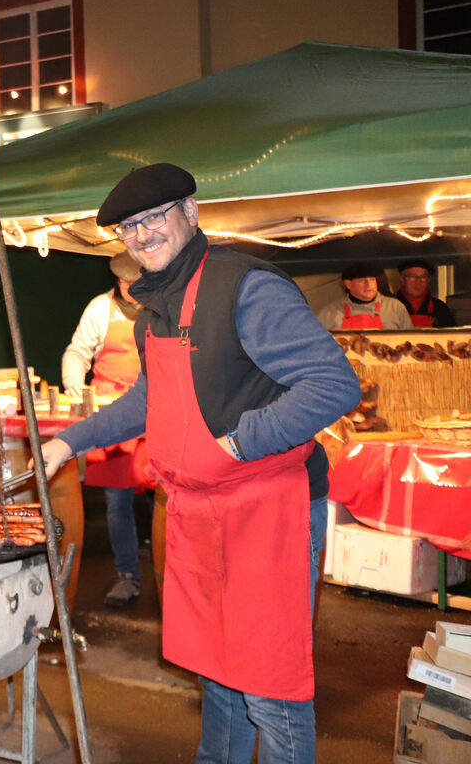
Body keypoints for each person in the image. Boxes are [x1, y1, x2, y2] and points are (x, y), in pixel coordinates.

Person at [38, 164, 360, 763]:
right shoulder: (154, 303)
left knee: (268, 684)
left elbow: (333, 385)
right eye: (128, 228)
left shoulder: (247, 286)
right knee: (217, 672)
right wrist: (69, 442)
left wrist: (238, 442)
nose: (141, 235)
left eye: (153, 217)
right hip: (198, 511)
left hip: (269, 507)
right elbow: (150, 399)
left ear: (191, 211)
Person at [60, 251, 153, 607]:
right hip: (110, 415)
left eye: (136, 283)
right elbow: (77, 352)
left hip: (152, 412)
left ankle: (160, 560)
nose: (129, 289)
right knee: (117, 497)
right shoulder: (100, 307)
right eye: (124, 283)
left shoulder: (161, 307)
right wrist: (74, 388)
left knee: (157, 491)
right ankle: (127, 575)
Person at [315, 261, 411, 330]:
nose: (369, 285)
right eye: (362, 281)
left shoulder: (395, 307)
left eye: (372, 280)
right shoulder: (329, 312)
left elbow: (411, 340)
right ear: (348, 284)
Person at [393, 259, 457, 328]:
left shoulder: (440, 308)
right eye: (413, 277)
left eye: (423, 277)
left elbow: (452, 336)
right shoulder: (390, 308)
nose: (418, 281)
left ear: (429, 280)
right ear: (402, 279)